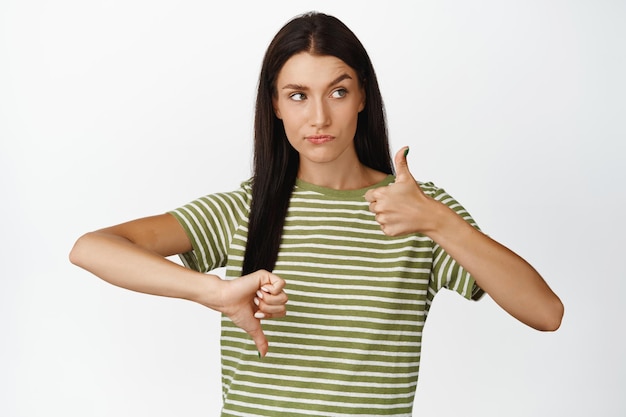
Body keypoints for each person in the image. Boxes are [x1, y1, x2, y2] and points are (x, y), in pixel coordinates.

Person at [69, 11, 564, 417]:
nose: (320, 117)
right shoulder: (247, 207)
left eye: (339, 91)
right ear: (277, 106)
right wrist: (215, 292)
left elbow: (546, 313)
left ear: (363, 97)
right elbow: (91, 248)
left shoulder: (416, 209)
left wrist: (437, 221)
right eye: (298, 96)